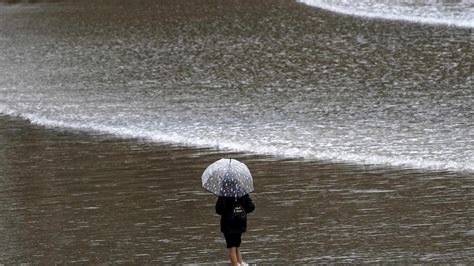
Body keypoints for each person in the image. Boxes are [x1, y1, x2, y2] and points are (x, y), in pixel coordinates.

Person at [215, 188, 255, 266]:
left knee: (232, 247)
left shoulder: (224, 193)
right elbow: (251, 207)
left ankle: (235, 264)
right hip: (240, 222)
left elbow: (218, 210)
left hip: (228, 224)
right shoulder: (242, 191)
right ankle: (240, 263)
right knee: (237, 244)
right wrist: (241, 209)